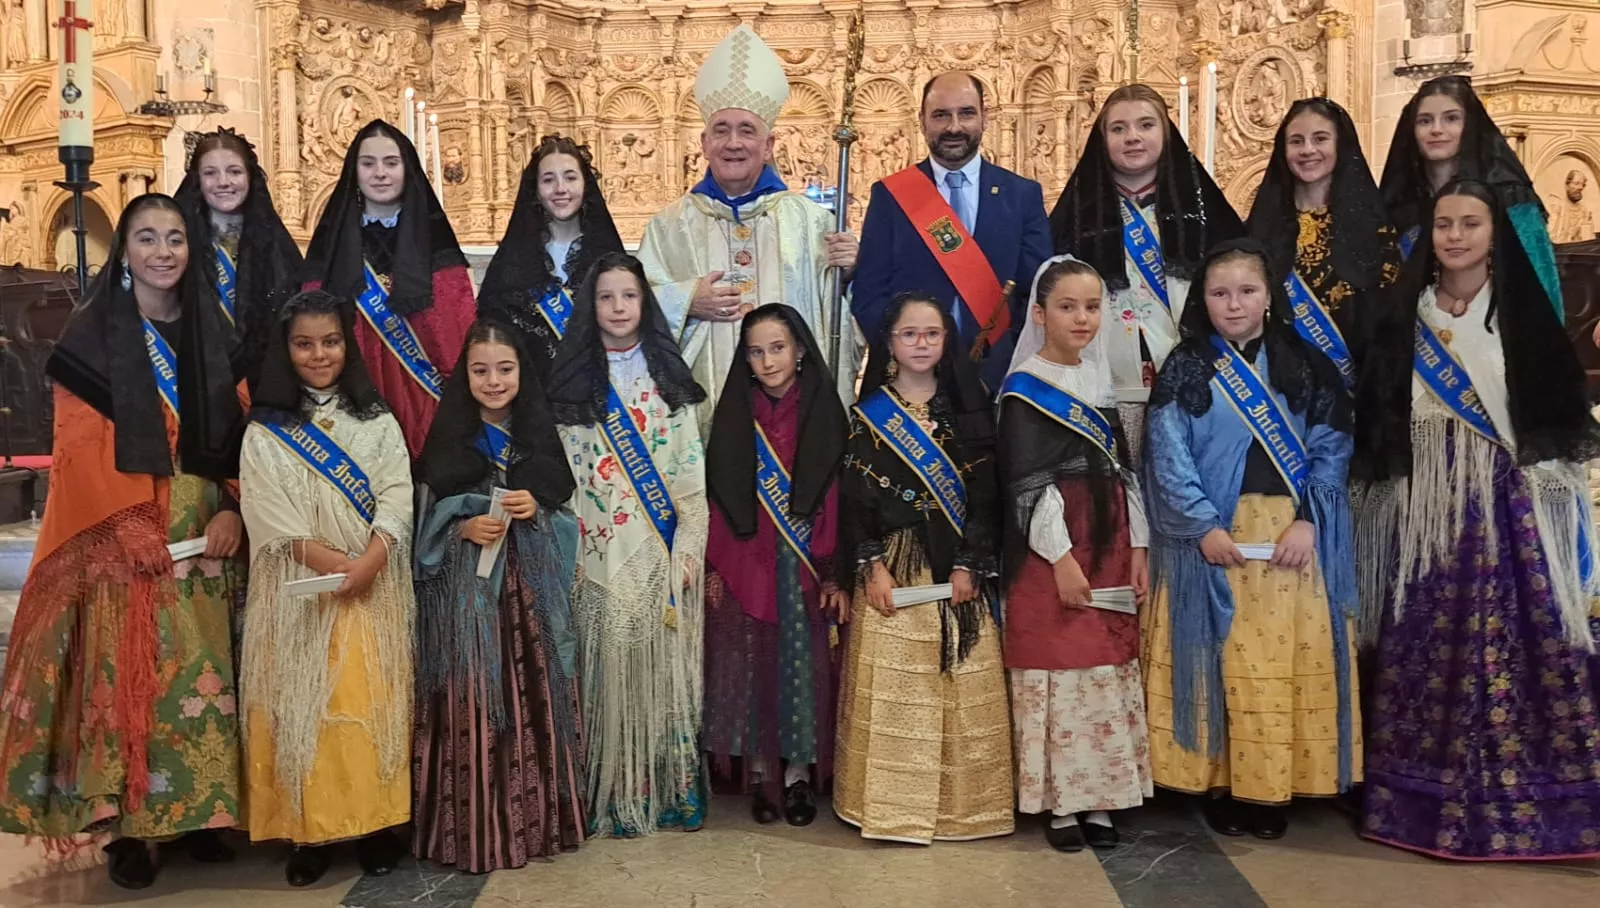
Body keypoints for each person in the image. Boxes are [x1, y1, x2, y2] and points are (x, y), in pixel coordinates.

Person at [0, 194, 246, 888]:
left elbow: (243, 429)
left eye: (175, 238)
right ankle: (133, 827)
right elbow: (77, 443)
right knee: (135, 676)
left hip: (207, 531)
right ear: (125, 252)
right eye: (147, 238)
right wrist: (128, 520)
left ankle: (201, 813)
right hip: (123, 532)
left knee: (207, 678)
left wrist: (235, 507)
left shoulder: (212, 330)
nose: (163, 251)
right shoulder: (92, 334)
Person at [1354, 178, 1600, 861]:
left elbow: (1553, 412)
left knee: (1513, 646)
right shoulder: (1407, 313)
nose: (1455, 236)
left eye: (1470, 224)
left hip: (1504, 505)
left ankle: (1534, 804)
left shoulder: (1520, 314)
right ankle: (1413, 806)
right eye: (1444, 224)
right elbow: (1378, 408)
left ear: (1494, 236)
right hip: (1424, 510)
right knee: (1423, 645)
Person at [1142, 239, 1360, 841]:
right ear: (1202, 300)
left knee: (1279, 665)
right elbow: (1167, 453)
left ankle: (1272, 788)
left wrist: (1310, 520)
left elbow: (1331, 448)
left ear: (1269, 297)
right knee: (1224, 664)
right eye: (1219, 293)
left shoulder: (1306, 365)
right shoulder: (1186, 365)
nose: (1233, 304)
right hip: (1214, 538)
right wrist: (1201, 526)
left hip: (1291, 539)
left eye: (1246, 291)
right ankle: (1221, 783)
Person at [238, 290, 415, 886]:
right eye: (304, 344)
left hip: (370, 585)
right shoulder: (266, 430)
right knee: (302, 708)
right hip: (300, 589)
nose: (319, 355)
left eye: (331, 342)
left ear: (348, 346)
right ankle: (307, 833)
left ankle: (376, 826)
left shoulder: (377, 420)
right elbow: (265, 508)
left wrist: (371, 558)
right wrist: (327, 561)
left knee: (365, 703)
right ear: (285, 350)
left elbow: (397, 492)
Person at [832, 291, 1013, 844]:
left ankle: (963, 812)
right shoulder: (867, 416)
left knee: (960, 683)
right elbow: (853, 501)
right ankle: (889, 808)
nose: (920, 344)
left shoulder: (970, 409)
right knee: (898, 694)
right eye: (909, 334)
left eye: (932, 334)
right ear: (889, 344)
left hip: (956, 573)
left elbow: (987, 497)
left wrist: (971, 563)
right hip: (893, 569)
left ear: (946, 341)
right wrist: (871, 566)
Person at [412, 320, 586, 870]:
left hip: (528, 600)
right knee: (472, 706)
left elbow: (566, 519)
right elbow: (421, 530)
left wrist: (537, 511)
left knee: (532, 703)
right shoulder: (448, 438)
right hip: (467, 603)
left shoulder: (539, 437)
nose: (493, 381)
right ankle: (472, 833)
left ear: (521, 373)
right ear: (464, 377)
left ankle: (536, 828)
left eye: (505, 369)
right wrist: (459, 527)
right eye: (480, 370)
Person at [548, 252, 710, 837]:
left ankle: (669, 792)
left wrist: (686, 553)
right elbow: (561, 482)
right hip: (594, 553)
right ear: (590, 307)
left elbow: (691, 482)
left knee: (661, 677)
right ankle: (612, 795)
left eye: (630, 296)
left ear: (646, 303)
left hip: (659, 554)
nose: (619, 307)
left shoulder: (671, 382)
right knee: (605, 680)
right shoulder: (568, 387)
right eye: (606, 297)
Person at [997, 256, 1153, 852]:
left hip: (1108, 539)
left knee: (1102, 666)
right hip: (1051, 549)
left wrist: (1138, 544)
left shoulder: (1097, 377)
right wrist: (1060, 559)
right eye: (1067, 307)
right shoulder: (1024, 388)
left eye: (1092, 307)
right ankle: (1061, 803)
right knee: (1058, 667)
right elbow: (1026, 484)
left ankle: (1102, 799)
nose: (1082, 318)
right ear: (1040, 314)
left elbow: (1122, 469)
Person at [636, 24, 858, 416]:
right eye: (721, 131)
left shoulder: (812, 224)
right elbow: (631, 308)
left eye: (747, 131)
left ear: (769, 145)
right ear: (704, 143)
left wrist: (853, 271)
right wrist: (686, 300)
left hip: (794, 416)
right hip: (704, 411)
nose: (734, 143)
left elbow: (843, 320)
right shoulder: (669, 227)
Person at [702, 304, 848, 827]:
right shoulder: (735, 411)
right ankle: (763, 773)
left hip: (806, 560)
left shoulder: (823, 410)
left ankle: (799, 776)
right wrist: (716, 566)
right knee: (752, 665)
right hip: (747, 559)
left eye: (778, 348)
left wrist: (833, 570)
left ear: (801, 349)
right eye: (756, 352)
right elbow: (718, 491)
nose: (767, 362)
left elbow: (838, 492)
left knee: (801, 666)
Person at [1049, 83, 1244, 464]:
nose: (1132, 137)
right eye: (1118, 128)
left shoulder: (1205, 208)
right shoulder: (1076, 214)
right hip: (1105, 382)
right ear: (1102, 138)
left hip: (1194, 377)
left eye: (1145, 125)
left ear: (1166, 132)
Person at [852, 72, 1052, 390]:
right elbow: (869, 293)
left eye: (966, 113)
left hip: (999, 381)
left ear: (985, 117)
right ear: (922, 121)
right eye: (941, 115)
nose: (954, 127)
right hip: (908, 382)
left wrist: (1000, 365)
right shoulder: (890, 195)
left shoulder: (1022, 195)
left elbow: (1036, 295)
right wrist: (908, 361)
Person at [303, 119, 476, 456]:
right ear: (354, 171)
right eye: (368, 163)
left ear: (407, 169)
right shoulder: (334, 241)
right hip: (351, 392)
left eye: (391, 163)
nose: (380, 173)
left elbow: (456, 326)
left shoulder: (434, 240)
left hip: (425, 395)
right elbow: (311, 320)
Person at [1246, 98, 1401, 384]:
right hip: (1278, 389)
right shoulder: (1260, 229)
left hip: (1357, 386)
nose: (1307, 149)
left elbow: (1388, 318)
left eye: (1320, 139)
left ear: (1340, 145)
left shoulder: (1374, 229)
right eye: (1296, 141)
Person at [1379, 75, 1562, 315]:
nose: (1436, 129)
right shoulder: (1399, 204)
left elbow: (1542, 287)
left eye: (1451, 118)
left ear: (1471, 125)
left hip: (1493, 329)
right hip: (1414, 331)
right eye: (1425, 121)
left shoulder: (1511, 198)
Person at [477, 134, 625, 380]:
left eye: (570, 177)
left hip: (597, 390)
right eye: (548, 180)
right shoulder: (514, 258)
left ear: (585, 184)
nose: (560, 189)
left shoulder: (608, 255)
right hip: (530, 389)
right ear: (535, 190)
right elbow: (492, 328)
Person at [174, 127, 305, 390]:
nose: (223, 182)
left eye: (234, 171)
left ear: (250, 176)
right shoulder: (177, 243)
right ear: (197, 180)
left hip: (265, 382)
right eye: (210, 173)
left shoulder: (275, 244)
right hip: (196, 382)